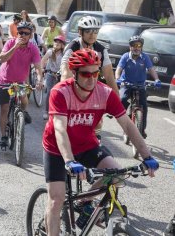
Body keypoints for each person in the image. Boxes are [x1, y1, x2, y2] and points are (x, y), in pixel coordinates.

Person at [42, 49, 159, 235]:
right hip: (57, 149)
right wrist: (69, 160)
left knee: (117, 176)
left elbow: (128, 125)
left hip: (87, 145)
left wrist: (147, 156)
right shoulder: (60, 92)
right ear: (74, 74)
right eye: (86, 74)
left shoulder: (105, 93)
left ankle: (84, 203)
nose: (92, 78)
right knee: (56, 200)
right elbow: (60, 129)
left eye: (95, 73)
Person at [60, 15, 119, 139]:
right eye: (88, 31)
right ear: (80, 32)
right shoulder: (73, 47)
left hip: (91, 84)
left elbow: (109, 76)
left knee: (97, 122)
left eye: (95, 31)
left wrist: (117, 101)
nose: (92, 34)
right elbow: (65, 72)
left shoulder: (101, 50)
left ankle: (95, 141)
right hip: (74, 83)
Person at [0, 21, 44, 148]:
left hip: (20, 82)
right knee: (4, 109)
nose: (23, 35)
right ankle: (4, 136)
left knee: (24, 100)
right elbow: (2, 59)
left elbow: (38, 68)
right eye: (20, 32)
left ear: (30, 35)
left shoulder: (33, 48)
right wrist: (15, 47)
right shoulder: (11, 43)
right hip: (5, 80)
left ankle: (23, 113)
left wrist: (39, 80)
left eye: (26, 33)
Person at [115, 35, 161, 138]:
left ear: (141, 47)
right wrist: (118, 79)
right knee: (122, 99)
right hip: (127, 84)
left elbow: (151, 69)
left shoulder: (145, 57)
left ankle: (142, 129)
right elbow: (119, 69)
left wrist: (157, 79)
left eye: (139, 45)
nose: (136, 47)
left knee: (144, 106)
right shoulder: (125, 56)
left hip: (140, 85)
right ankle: (125, 119)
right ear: (130, 47)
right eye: (134, 45)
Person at [40, 35, 65, 120]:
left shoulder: (64, 54)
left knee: (61, 93)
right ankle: (46, 111)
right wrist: (42, 70)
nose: (57, 43)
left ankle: (59, 111)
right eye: (56, 41)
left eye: (59, 42)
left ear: (62, 45)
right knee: (50, 92)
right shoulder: (50, 52)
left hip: (60, 75)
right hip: (50, 74)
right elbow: (42, 61)